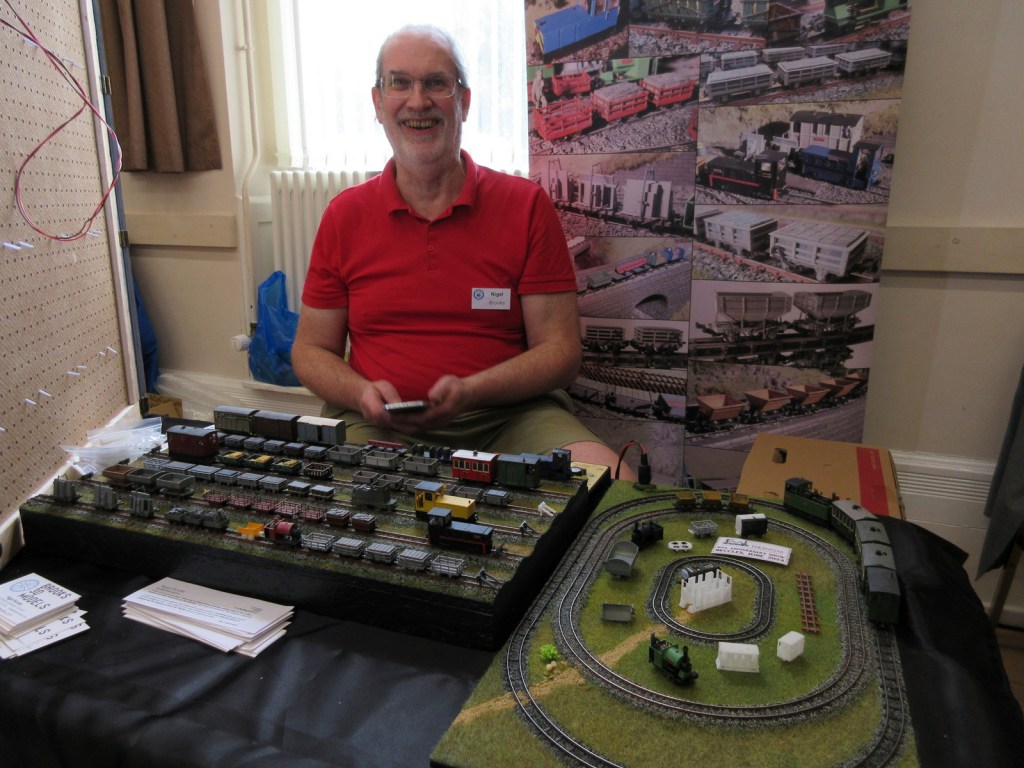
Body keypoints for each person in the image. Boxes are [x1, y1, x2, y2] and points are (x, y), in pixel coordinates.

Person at [292, 24, 633, 479]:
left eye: (436, 83)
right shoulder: (344, 216)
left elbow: (560, 353)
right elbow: (311, 350)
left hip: (510, 419)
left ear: (464, 101)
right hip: (377, 425)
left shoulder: (525, 206)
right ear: (377, 102)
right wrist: (360, 394)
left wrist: (471, 391)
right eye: (399, 83)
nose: (418, 101)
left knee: (614, 486)